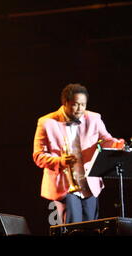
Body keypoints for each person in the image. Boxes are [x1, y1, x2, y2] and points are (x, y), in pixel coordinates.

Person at [33, 83, 124, 224]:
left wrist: (119, 144)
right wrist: (60, 161)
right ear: (65, 102)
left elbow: (107, 140)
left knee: (92, 227)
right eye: (76, 104)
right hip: (64, 185)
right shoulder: (46, 122)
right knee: (72, 227)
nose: (80, 109)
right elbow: (38, 156)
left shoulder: (94, 118)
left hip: (89, 183)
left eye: (83, 104)